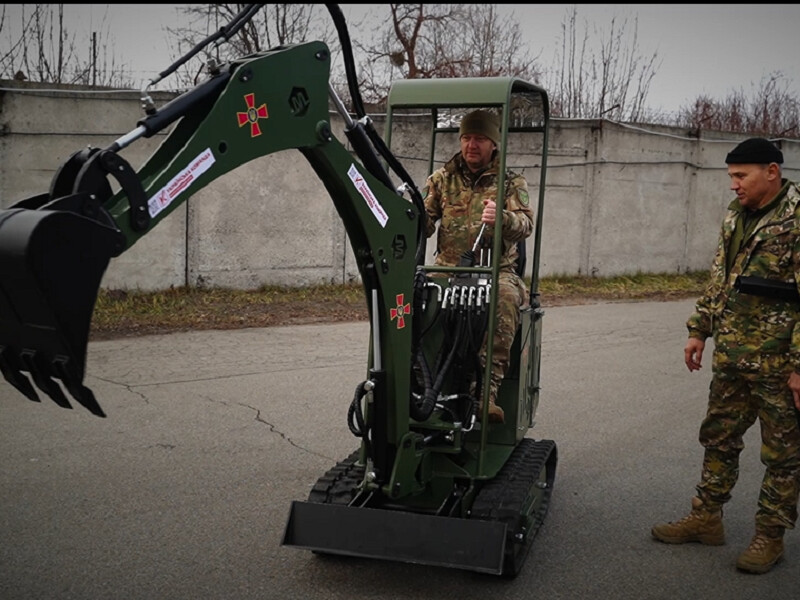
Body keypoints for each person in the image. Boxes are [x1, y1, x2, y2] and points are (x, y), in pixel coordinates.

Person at [651, 137, 800, 574]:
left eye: (741, 176)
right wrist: (700, 329)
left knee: (782, 455)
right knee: (718, 436)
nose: (733, 185)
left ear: (771, 171)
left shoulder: (796, 218)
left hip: (778, 362)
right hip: (733, 353)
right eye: (731, 177)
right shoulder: (737, 215)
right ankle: (707, 517)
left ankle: (770, 537)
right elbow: (721, 275)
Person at [421, 109, 533, 424]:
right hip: (447, 270)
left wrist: (503, 218)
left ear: (494, 144)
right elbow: (423, 222)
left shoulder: (511, 182)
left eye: (480, 138)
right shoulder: (442, 178)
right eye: (467, 137)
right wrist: (411, 218)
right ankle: (419, 382)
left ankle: (486, 394)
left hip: (496, 271)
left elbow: (526, 224)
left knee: (506, 299)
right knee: (414, 295)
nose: (472, 144)